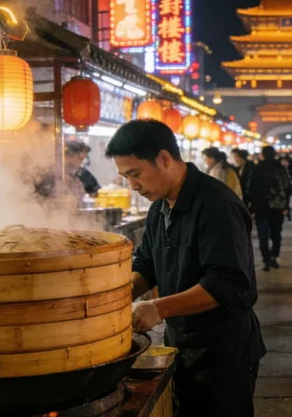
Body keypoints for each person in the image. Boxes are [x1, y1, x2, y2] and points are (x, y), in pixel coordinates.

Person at [105, 120, 265, 417]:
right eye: (125, 177)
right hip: (181, 340)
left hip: (223, 349)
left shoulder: (216, 203)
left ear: (164, 159)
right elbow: (147, 263)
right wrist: (116, 301)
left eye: (135, 174)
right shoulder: (159, 206)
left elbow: (227, 283)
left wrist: (157, 308)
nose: (132, 186)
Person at [246, 146, 292, 271]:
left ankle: (266, 259)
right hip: (278, 207)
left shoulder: (257, 169)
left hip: (261, 207)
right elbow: (289, 187)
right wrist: (285, 205)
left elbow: (250, 189)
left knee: (263, 235)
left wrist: (251, 206)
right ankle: (274, 256)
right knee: (276, 233)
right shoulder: (280, 168)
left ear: (262, 155)